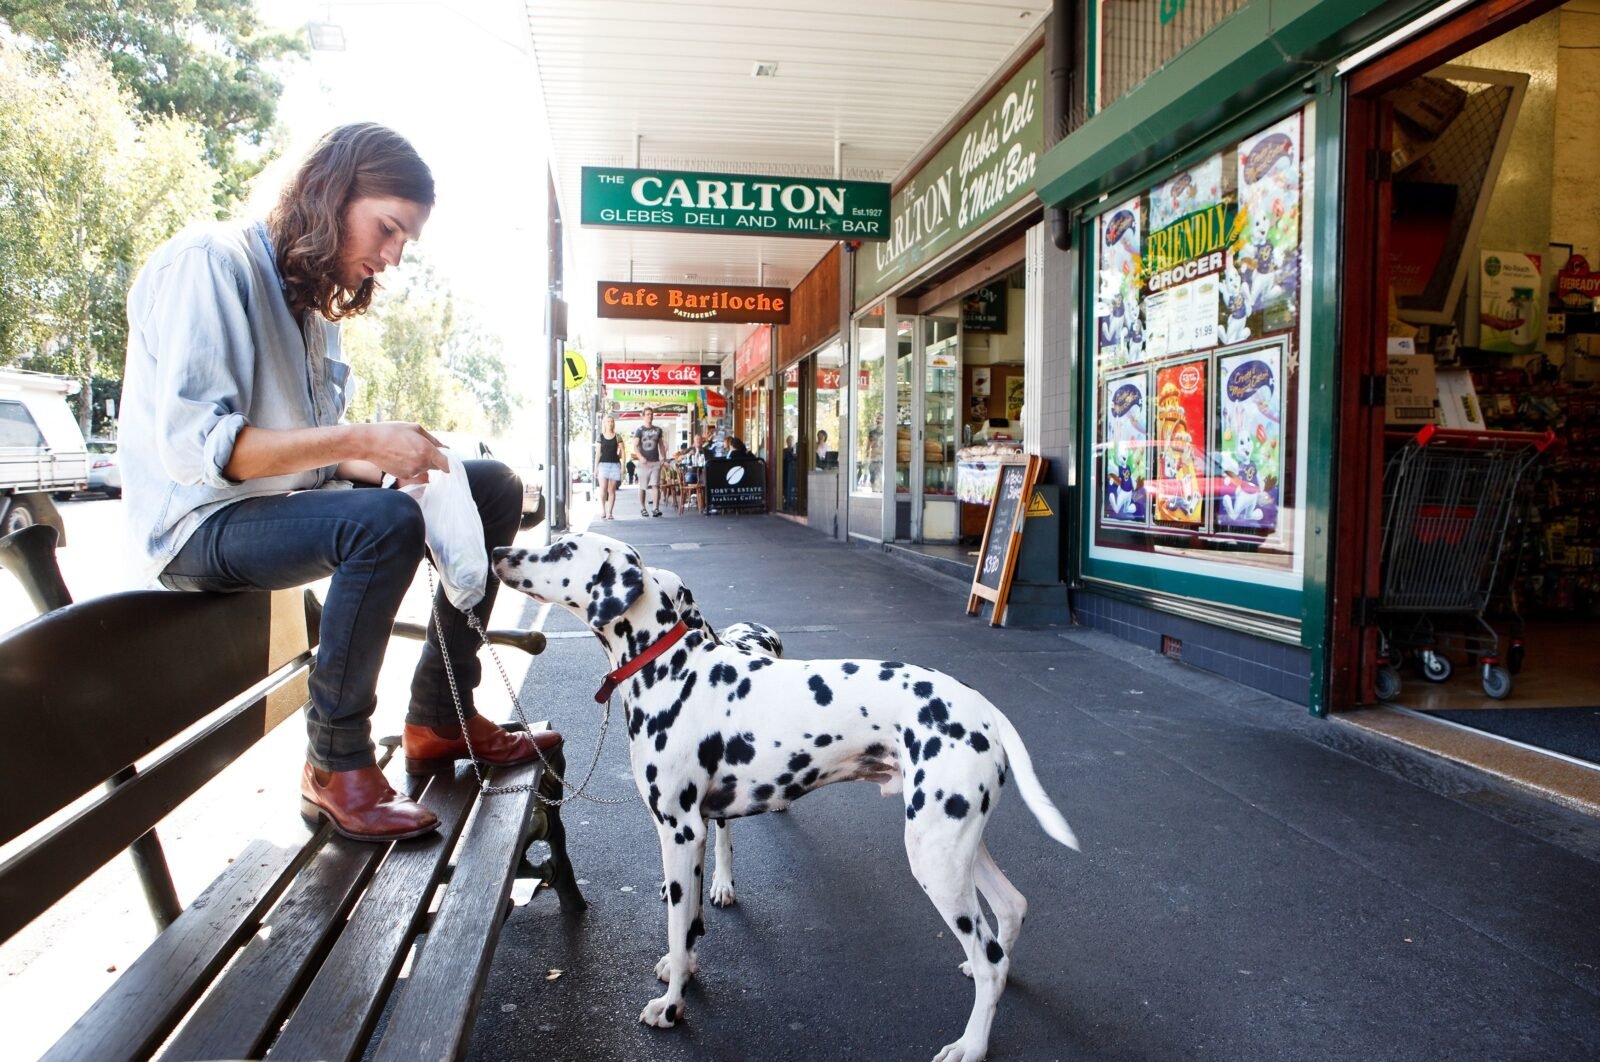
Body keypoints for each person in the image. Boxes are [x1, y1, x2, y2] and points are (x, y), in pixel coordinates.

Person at [119, 123, 559, 843]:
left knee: (490, 485)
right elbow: (203, 452)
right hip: (195, 524)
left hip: (270, 506)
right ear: (331, 193)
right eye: (387, 229)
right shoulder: (208, 264)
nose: (388, 258)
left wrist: (388, 458)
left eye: (402, 243)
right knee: (381, 525)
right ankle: (335, 761)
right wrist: (360, 440)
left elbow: (312, 462)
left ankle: (441, 715)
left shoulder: (310, 309)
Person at [633, 407, 666, 517]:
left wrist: (663, 457)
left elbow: (661, 444)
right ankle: (642, 507)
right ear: (643, 416)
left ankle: (655, 508)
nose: (649, 416)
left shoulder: (658, 430)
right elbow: (635, 445)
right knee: (643, 486)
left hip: (655, 461)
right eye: (647, 414)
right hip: (644, 463)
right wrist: (640, 457)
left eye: (651, 414)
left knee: (655, 485)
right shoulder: (640, 430)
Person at [595, 412, 622, 520]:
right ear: (604, 424)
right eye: (607, 422)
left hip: (615, 464)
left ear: (613, 424)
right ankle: (603, 510)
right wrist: (595, 468)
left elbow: (622, 451)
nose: (610, 424)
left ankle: (610, 512)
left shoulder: (617, 436)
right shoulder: (600, 437)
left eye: (611, 422)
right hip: (603, 465)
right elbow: (597, 453)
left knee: (612, 490)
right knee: (603, 489)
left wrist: (622, 465)